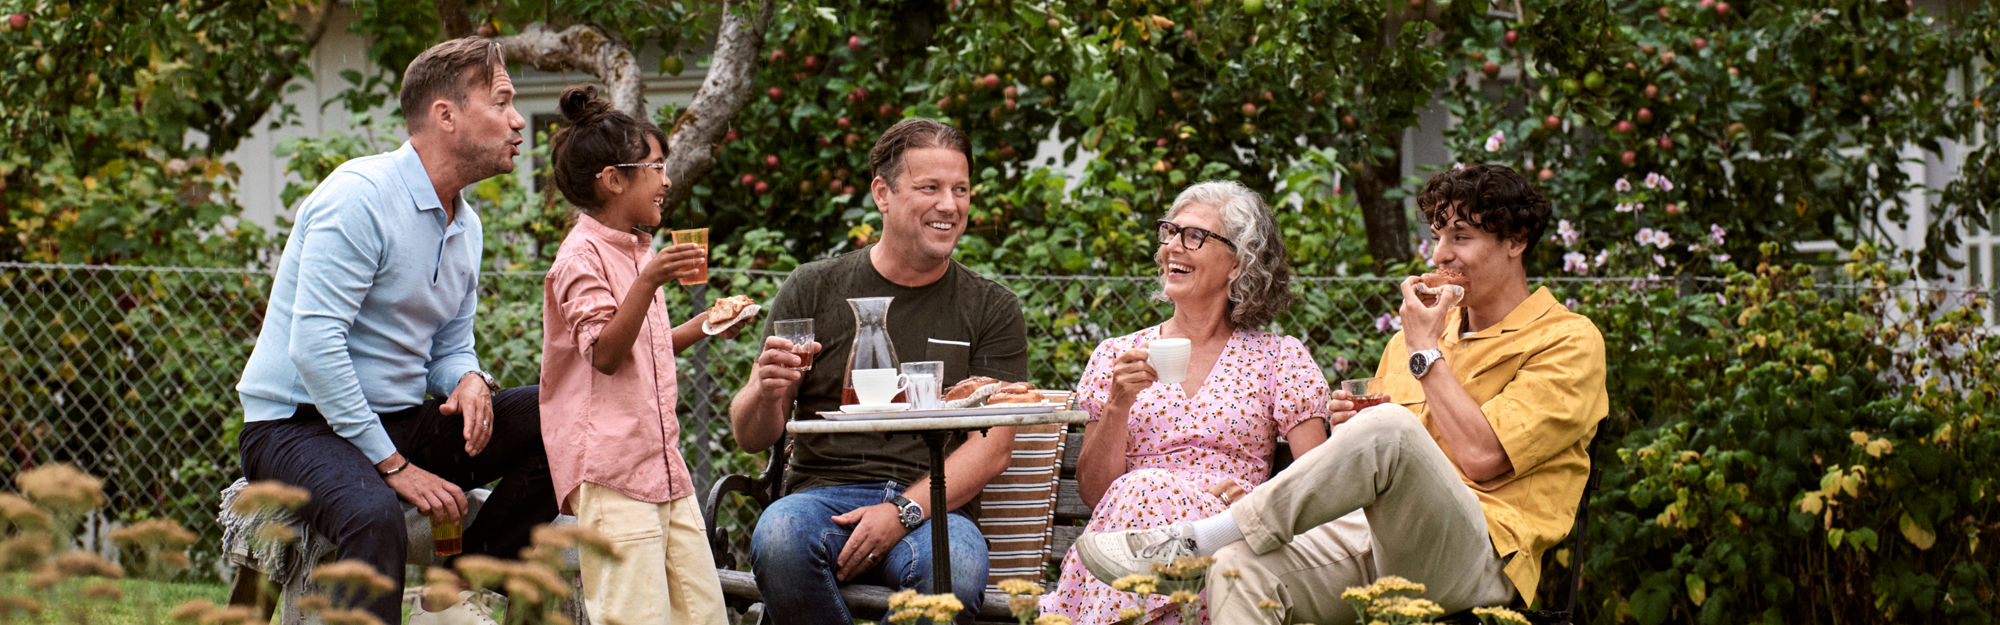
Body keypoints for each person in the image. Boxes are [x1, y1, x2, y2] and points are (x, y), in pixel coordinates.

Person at [1074, 164, 1608, 624]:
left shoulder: (1565, 341)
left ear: (1517, 242)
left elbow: (1483, 456)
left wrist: (1425, 356)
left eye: (1461, 237)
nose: (1441, 254)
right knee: (1238, 569)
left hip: (1479, 555)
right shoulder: (1411, 341)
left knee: (1390, 429)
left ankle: (1199, 537)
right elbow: (1380, 461)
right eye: (1438, 236)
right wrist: (1351, 431)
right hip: (1371, 540)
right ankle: (1213, 543)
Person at [234, 37, 552, 625]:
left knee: (566, 414)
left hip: (398, 418)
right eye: (503, 101)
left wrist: (471, 379)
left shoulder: (466, 225)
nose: (517, 122)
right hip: (296, 426)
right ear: (445, 115)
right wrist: (396, 468)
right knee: (373, 514)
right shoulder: (360, 198)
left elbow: (449, 346)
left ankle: (459, 586)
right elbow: (315, 348)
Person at [727, 118, 1029, 624]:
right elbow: (753, 434)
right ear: (882, 194)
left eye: (960, 189)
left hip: (936, 507)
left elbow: (993, 447)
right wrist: (764, 388)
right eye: (929, 187)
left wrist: (901, 513)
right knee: (779, 539)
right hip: (820, 499)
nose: (950, 205)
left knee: (953, 573)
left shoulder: (990, 306)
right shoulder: (814, 287)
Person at [1039, 181, 1329, 624]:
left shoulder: (1279, 357)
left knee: (1143, 490)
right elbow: (1098, 494)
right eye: (1169, 232)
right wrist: (1118, 404)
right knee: (1140, 490)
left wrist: (1253, 501)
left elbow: (1318, 481)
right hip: (1129, 529)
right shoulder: (1118, 357)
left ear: (1238, 263)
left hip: (1227, 538)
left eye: (1194, 236)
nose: (1172, 246)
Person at [539, 85, 751, 625]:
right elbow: (606, 354)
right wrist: (650, 280)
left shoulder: (637, 248)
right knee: (635, 616)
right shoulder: (578, 258)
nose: (667, 180)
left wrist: (705, 324)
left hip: (662, 468)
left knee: (703, 613)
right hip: (611, 475)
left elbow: (644, 344)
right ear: (614, 179)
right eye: (656, 167)